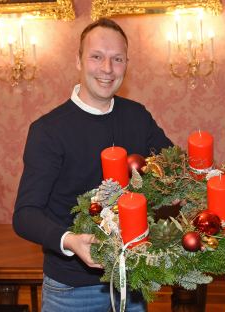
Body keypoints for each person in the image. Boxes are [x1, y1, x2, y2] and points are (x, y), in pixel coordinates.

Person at [13, 18, 172, 311]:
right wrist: (71, 241)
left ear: (127, 63)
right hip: (71, 291)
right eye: (97, 57)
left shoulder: (137, 116)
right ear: (78, 60)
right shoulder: (48, 130)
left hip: (131, 281)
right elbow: (25, 215)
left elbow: (173, 169)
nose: (107, 69)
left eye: (117, 59)